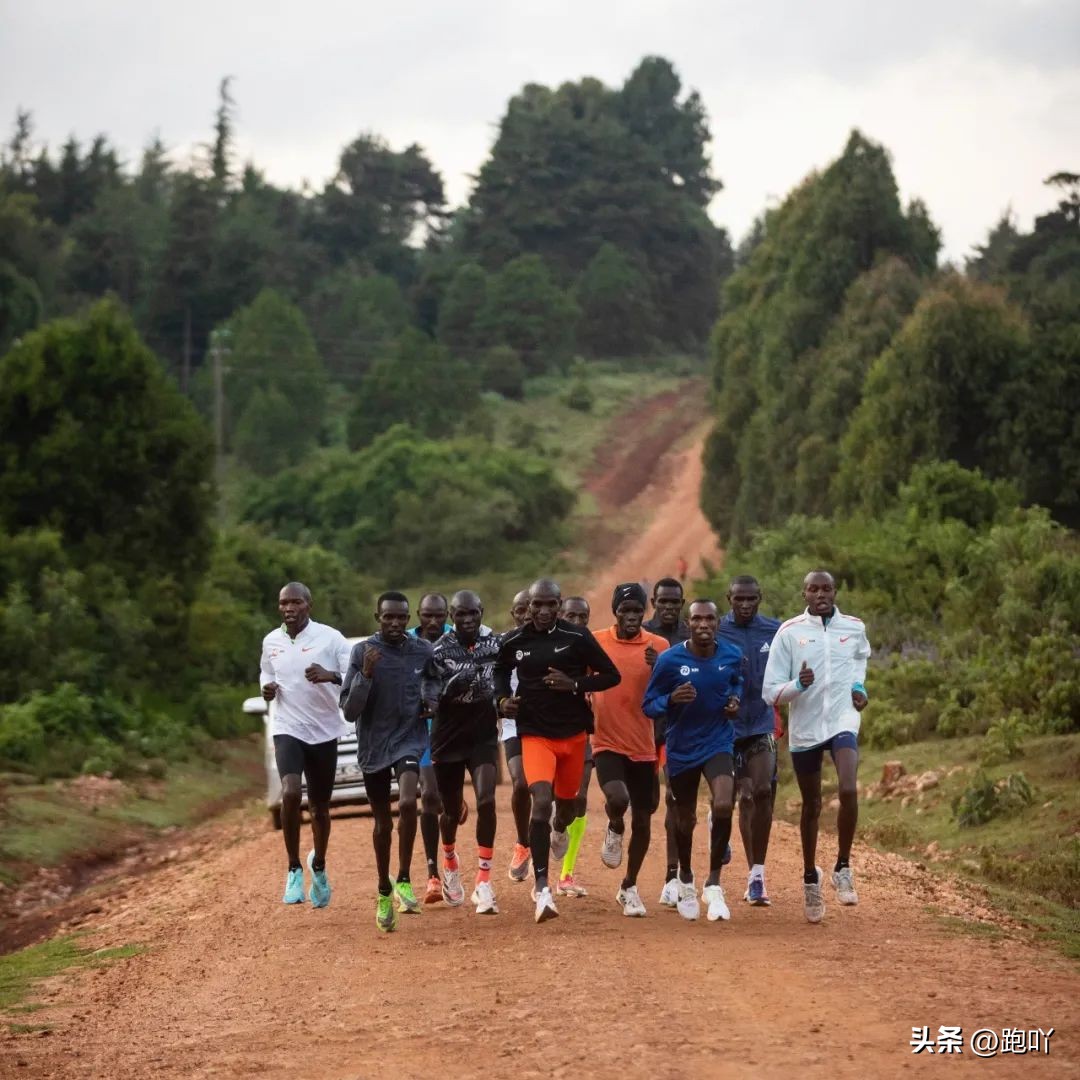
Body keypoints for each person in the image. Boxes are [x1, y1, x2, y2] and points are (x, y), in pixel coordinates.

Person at [494, 579, 620, 923]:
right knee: (542, 799)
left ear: (559, 605)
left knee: (567, 805)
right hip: (535, 734)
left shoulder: (577, 638)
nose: (544, 611)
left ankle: (559, 830)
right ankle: (543, 887)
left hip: (574, 735)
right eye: (538, 605)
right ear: (529, 606)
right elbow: (500, 670)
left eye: (551, 605)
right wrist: (502, 700)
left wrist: (575, 684)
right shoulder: (514, 641)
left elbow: (611, 675)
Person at [763, 570, 871, 923]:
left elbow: (860, 661)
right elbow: (771, 692)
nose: (821, 594)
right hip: (806, 728)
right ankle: (811, 877)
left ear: (835, 591)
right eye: (814, 589)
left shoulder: (854, 627)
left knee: (848, 787)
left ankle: (842, 865)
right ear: (804, 594)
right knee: (811, 804)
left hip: (842, 719)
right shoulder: (790, 632)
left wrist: (859, 689)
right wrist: (798, 684)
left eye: (826, 588)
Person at [643, 599, 743, 922]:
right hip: (682, 747)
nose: (704, 625)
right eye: (697, 619)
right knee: (684, 819)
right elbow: (649, 704)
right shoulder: (670, 661)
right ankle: (685, 876)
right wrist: (671, 699)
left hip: (718, 741)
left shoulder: (731, 655)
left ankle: (714, 883)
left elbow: (736, 685)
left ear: (717, 623)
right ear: (689, 623)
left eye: (710, 619)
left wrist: (734, 702)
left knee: (725, 803)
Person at [341, 592, 433, 933]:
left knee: (409, 801)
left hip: (408, 738)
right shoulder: (362, 652)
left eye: (401, 618)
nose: (395, 624)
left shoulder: (421, 650)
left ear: (409, 619)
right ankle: (384, 888)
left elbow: (434, 678)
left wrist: (431, 700)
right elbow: (350, 709)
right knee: (382, 824)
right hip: (374, 746)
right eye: (388, 618)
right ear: (377, 617)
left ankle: (405, 878)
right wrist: (365, 674)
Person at [259, 582, 351, 907]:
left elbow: (354, 674)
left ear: (308, 605)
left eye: (295, 602)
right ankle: (294, 868)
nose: (289, 608)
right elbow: (265, 672)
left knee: (320, 809)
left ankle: (320, 865)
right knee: (290, 792)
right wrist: (266, 689)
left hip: (324, 731)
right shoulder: (271, 640)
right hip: (288, 727)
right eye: (284, 603)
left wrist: (331, 675)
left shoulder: (331, 637)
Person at [422, 590, 502, 914]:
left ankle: (484, 881)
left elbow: (508, 674)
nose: (467, 619)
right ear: (451, 617)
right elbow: (428, 686)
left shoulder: (495, 644)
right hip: (448, 736)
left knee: (486, 799)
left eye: (473, 613)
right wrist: (428, 702)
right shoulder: (438, 651)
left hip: (482, 734)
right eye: (460, 615)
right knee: (452, 811)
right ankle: (450, 861)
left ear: (481, 611)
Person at [591, 583, 668, 917]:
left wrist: (660, 665)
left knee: (645, 816)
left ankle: (630, 886)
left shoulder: (659, 646)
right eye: (626, 610)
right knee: (618, 800)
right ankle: (614, 825)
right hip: (606, 740)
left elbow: (672, 687)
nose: (632, 616)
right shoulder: (596, 642)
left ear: (644, 613)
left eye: (638, 610)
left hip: (643, 745)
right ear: (615, 612)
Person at [716, 575, 782, 906]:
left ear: (760, 598)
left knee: (763, 791)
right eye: (738, 599)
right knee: (741, 797)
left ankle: (757, 875)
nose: (745, 605)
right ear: (729, 598)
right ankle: (719, 816)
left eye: (751, 599)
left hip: (761, 723)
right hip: (725, 728)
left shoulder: (775, 630)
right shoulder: (716, 630)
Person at [408, 592, 463, 905]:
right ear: (419, 614)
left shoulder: (456, 640)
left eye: (439, 615)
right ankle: (432, 874)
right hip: (422, 731)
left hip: (453, 730)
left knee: (448, 803)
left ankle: (449, 855)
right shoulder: (409, 643)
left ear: (448, 615)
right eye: (427, 615)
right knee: (428, 795)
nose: (433, 621)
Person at [643, 577, 691, 909]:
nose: (669, 607)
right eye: (663, 601)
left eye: (675, 602)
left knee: (676, 798)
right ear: (654, 603)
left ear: (682, 603)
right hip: (646, 728)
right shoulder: (642, 634)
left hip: (683, 729)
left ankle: (672, 875)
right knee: (645, 803)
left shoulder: (693, 635)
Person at [550, 595, 594, 897]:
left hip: (583, 736)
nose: (577, 622)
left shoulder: (594, 650)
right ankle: (540, 873)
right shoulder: (544, 647)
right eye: (571, 616)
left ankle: (566, 874)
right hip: (545, 735)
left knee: (578, 798)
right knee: (547, 800)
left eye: (582, 617)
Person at [501, 589, 533, 883]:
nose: (525, 614)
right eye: (519, 609)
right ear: (514, 614)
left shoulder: (554, 641)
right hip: (514, 727)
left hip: (549, 726)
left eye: (530, 608)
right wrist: (500, 703)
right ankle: (523, 843)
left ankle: (554, 833)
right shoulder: (504, 644)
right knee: (521, 782)